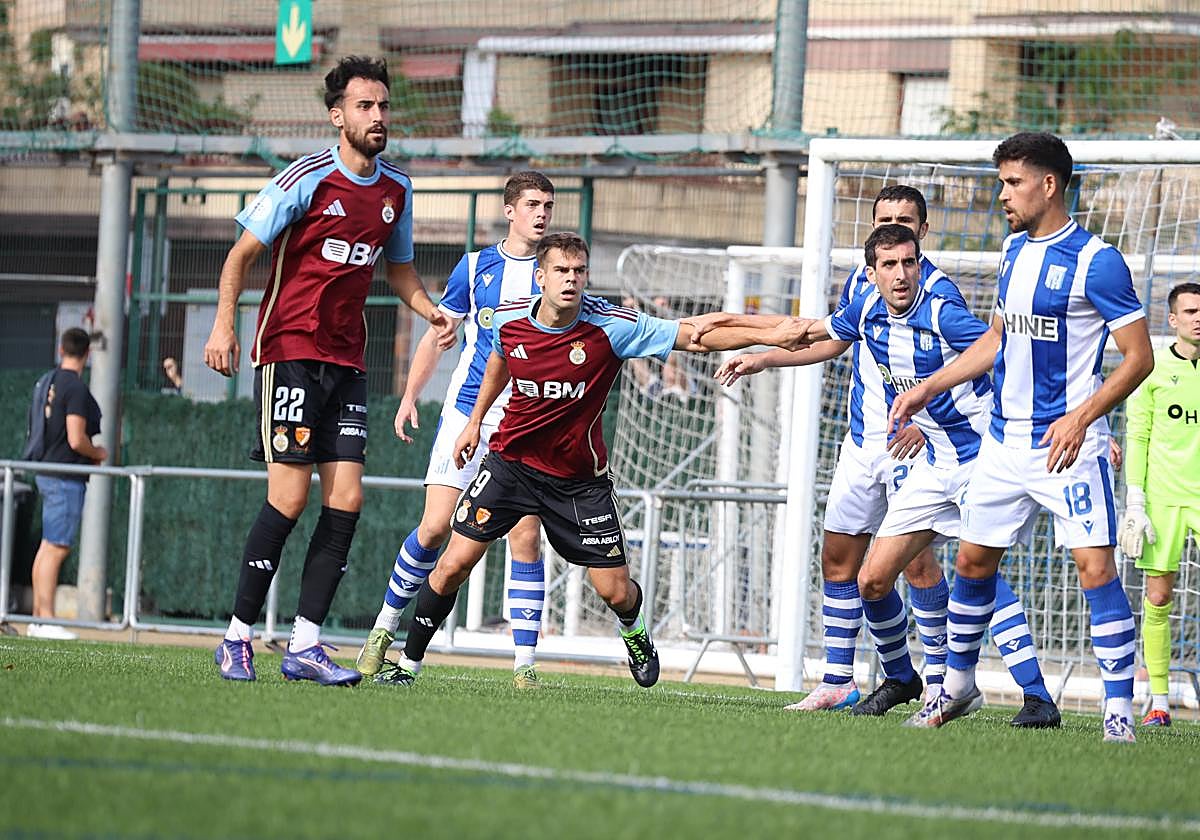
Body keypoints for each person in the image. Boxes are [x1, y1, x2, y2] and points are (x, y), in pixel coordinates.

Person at [372, 231, 808, 688]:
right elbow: (499, 359)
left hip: (578, 481)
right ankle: (408, 665)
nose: (570, 279)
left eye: (579, 271)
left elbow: (697, 334)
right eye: (561, 270)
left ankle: (634, 629)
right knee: (452, 564)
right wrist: (475, 421)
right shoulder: (508, 319)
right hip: (510, 465)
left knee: (614, 592)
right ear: (540, 277)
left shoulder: (612, 326)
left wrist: (772, 332)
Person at [715, 187, 1055, 722]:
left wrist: (1070, 415)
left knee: (972, 566)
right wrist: (761, 356)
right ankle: (892, 678)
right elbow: (820, 333)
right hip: (908, 454)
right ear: (872, 257)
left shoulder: (941, 303)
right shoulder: (865, 295)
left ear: (921, 240)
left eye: (906, 256)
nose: (899, 271)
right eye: (888, 255)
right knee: (869, 577)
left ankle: (1022, 694)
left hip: (972, 456)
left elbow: (1003, 350)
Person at [889, 132, 1154, 742]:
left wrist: (1082, 417)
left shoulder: (1098, 261)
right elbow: (997, 338)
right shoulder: (1011, 250)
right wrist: (930, 386)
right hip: (1003, 444)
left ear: (1049, 184)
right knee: (972, 561)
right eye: (1001, 182)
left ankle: (1119, 710)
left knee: (1095, 569)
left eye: (1012, 183)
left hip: (1068, 447)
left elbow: (1139, 358)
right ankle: (957, 686)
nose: (1002, 195)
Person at [203, 55, 454, 685]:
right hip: (290, 348)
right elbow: (240, 254)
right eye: (365, 106)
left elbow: (398, 268)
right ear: (337, 116)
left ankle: (305, 645)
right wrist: (224, 324)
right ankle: (236, 638)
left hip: (348, 359)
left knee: (347, 499)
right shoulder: (307, 178)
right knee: (288, 498)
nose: (378, 116)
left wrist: (428, 309)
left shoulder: (397, 190)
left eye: (384, 105)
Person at [356, 171, 555, 689]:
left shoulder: (555, 270)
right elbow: (437, 335)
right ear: (510, 211)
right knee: (434, 527)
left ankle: (525, 664)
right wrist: (409, 397)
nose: (541, 214)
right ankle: (383, 628)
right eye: (532, 205)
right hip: (466, 415)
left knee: (526, 535)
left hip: (523, 424)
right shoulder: (475, 266)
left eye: (547, 206)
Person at [1118, 281, 1200, 727]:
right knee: (1158, 596)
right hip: (1164, 499)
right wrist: (1136, 500)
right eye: (1189, 312)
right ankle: (1160, 701)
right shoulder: (1152, 369)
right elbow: (1138, 435)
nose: (1198, 319)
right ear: (1173, 319)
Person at [23, 327, 106, 640]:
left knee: (48, 546)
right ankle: (45, 619)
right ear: (87, 353)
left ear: (61, 349)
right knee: (57, 547)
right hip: (64, 476)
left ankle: (38, 618)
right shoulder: (75, 388)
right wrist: (98, 452)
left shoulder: (48, 381)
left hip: (47, 471)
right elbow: (76, 438)